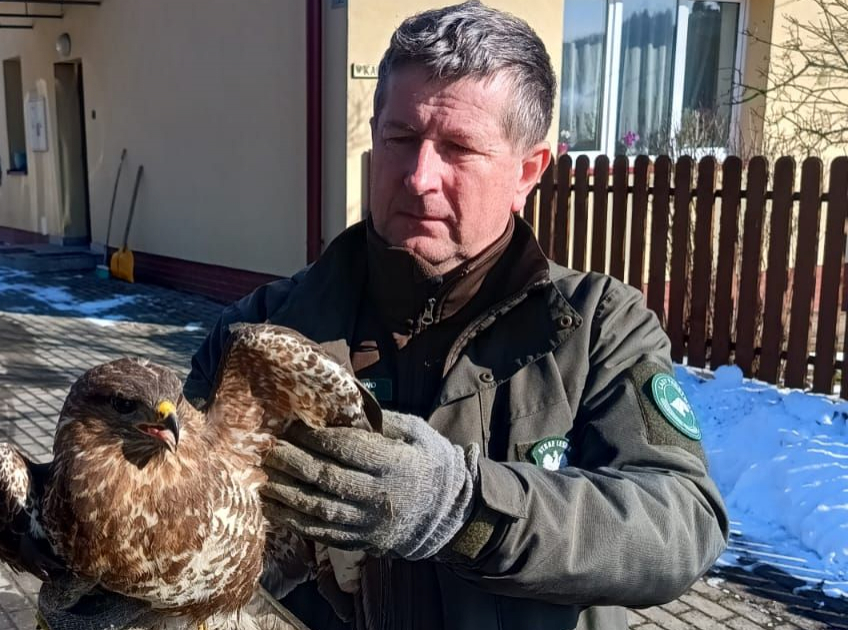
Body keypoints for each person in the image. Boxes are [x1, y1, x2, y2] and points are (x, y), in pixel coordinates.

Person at [38, 2, 728, 628]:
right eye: (400, 138)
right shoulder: (266, 329)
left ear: (528, 170)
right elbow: (177, 505)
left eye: (458, 148)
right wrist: (117, 589)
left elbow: (679, 526)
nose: (419, 175)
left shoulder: (596, 325)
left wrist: (466, 511)